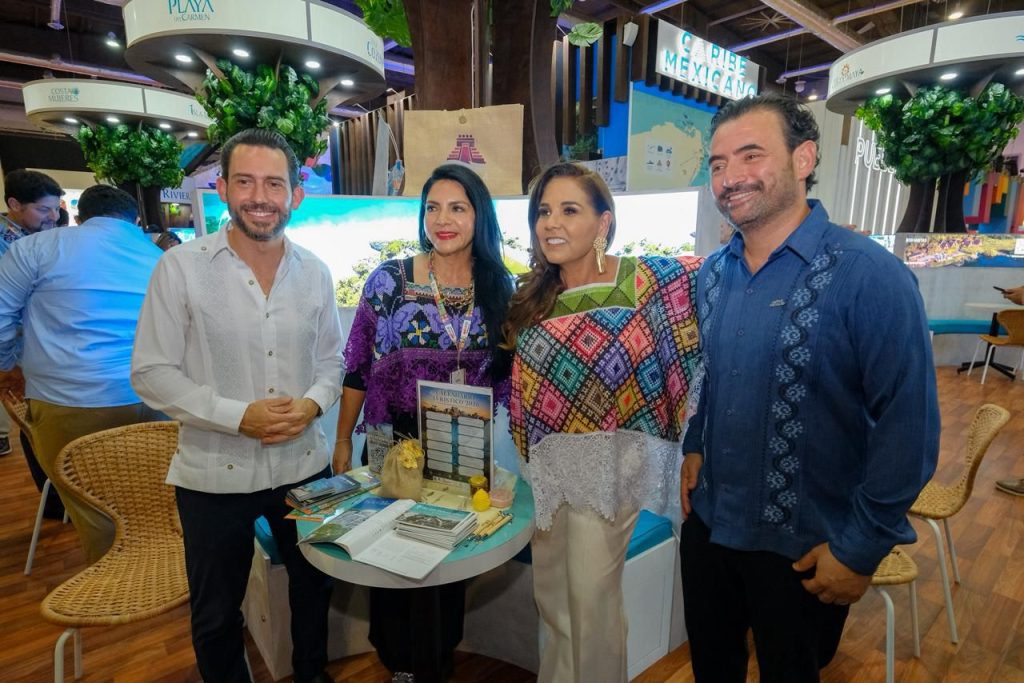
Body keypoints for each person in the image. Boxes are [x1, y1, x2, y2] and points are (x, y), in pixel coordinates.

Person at [679, 93, 940, 682]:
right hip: (710, 529)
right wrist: (695, 442)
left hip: (805, 549)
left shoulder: (870, 276)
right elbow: (713, 375)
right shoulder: (713, 275)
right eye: (718, 164)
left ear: (803, 159)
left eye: (751, 156)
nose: (730, 177)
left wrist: (860, 548)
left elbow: (909, 429)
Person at [131, 128, 342, 683]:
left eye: (274, 184)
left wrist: (314, 405)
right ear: (222, 188)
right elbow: (150, 372)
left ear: (296, 195)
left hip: (304, 464)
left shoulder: (315, 272)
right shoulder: (181, 268)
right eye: (245, 182)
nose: (260, 197)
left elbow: (332, 361)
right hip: (212, 472)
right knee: (217, 612)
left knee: (315, 585)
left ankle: (312, 676)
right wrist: (237, 416)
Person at [504, 162, 702, 683]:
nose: (552, 223)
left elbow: (722, 281)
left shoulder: (645, 280)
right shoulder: (534, 298)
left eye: (570, 210)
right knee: (553, 600)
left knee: (593, 601)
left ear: (603, 222)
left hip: (612, 470)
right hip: (548, 472)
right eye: (544, 211)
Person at [335, 163, 513, 683]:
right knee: (389, 562)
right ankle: (398, 665)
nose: (443, 219)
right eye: (432, 207)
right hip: (394, 449)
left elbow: (512, 372)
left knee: (446, 567)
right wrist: (342, 439)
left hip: (462, 451)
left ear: (479, 216)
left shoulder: (498, 288)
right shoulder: (388, 281)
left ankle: (437, 661)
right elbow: (357, 367)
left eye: (457, 207)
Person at [0, 184, 164, 562]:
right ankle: (160, 575)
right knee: (158, 501)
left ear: (77, 215)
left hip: (70, 401)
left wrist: (10, 365)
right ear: (136, 220)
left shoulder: (36, 248)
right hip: (156, 398)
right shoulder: (159, 257)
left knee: (95, 512)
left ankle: (116, 583)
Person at [0, 170, 64, 468]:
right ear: (14, 204)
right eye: (43, 209)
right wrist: (7, 365)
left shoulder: (35, 238)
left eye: (55, 209)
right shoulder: (8, 244)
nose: (53, 217)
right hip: (17, 349)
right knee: (34, 420)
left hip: (36, 347)